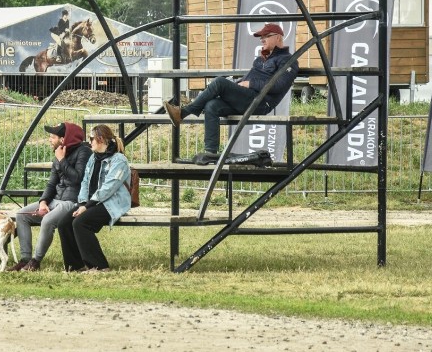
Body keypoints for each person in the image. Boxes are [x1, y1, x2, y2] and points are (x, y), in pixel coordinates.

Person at [163, 23, 298, 165]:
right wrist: (239, 85)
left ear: (278, 38)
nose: (262, 40)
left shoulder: (289, 61)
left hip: (260, 103)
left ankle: (183, 113)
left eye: (266, 36)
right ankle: (211, 153)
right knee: (212, 105)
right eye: (261, 37)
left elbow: (279, 86)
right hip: (247, 98)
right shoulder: (261, 59)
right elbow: (247, 80)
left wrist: (249, 84)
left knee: (219, 82)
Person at [7, 121, 91, 272]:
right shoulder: (58, 154)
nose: (49, 140)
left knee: (47, 220)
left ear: (63, 139)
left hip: (71, 202)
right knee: (21, 215)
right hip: (54, 200)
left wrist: (62, 160)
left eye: (53, 136)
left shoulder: (83, 152)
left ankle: (35, 261)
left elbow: (77, 178)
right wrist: (43, 202)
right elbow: (51, 184)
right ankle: (25, 259)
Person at [57, 124, 131, 272]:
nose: (89, 142)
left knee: (81, 223)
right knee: (64, 223)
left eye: (91, 139)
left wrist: (86, 207)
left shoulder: (119, 160)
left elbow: (108, 189)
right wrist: (82, 203)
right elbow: (85, 182)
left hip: (111, 203)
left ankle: (99, 266)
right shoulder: (93, 158)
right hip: (92, 202)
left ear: (101, 139)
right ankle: (75, 266)